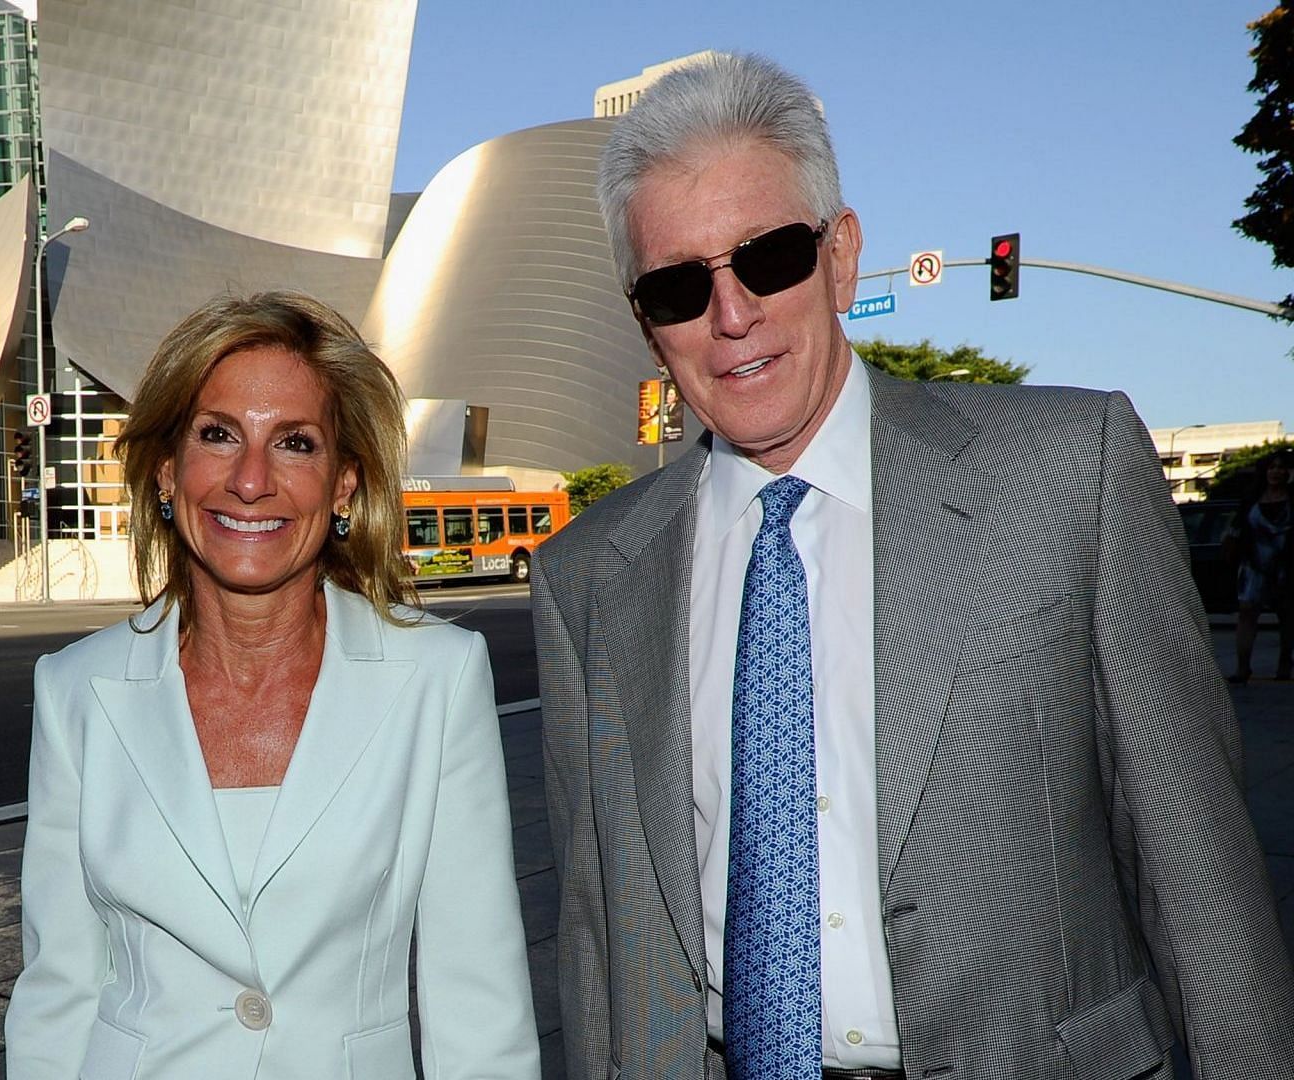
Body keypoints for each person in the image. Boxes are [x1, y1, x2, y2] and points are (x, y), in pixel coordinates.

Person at [533, 52, 1294, 1080]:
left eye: (767, 259)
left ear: (841, 257)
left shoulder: (1073, 472)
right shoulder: (586, 578)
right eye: (677, 286)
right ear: (645, 324)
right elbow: (600, 944)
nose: (731, 315)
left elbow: (1196, 880)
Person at [4, 291, 539, 1079]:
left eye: (294, 443)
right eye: (218, 435)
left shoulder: (438, 678)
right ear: (166, 472)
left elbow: (479, 1006)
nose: (251, 480)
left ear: (345, 485)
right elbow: (58, 995)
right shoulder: (77, 690)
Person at [1227, 448, 1293, 683]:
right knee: (1246, 612)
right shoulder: (1252, 498)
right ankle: (1242, 667)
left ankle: (1285, 664)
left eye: (1281, 467)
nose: (1276, 471)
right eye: (1272, 466)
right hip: (1252, 565)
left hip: (1285, 567)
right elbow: (1236, 528)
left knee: (1287, 617)